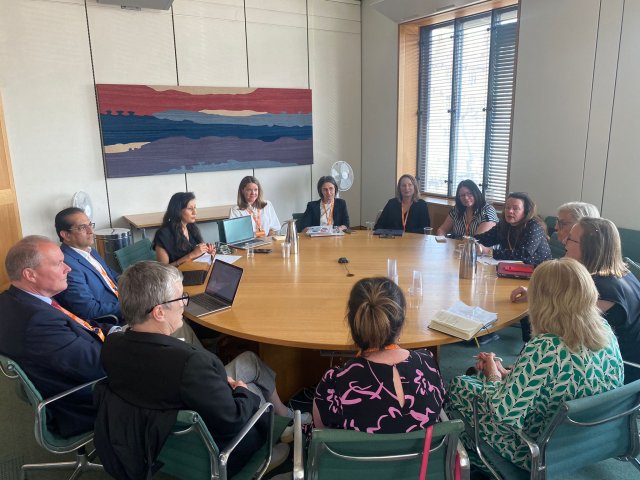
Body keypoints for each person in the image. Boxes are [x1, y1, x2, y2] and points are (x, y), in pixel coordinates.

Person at [96, 261, 305, 477]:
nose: (184, 305)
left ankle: (281, 422)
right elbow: (233, 419)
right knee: (252, 390)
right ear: (159, 312)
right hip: (214, 452)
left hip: (161, 443)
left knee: (249, 360)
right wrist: (242, 391)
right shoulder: (191, 364)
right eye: (180, 298)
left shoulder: (111, 346)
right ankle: (263, 455)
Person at [448, 258, 623, 471]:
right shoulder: (605, 329)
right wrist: (510, 375)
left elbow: (503, 415)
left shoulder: (546, 346)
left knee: (460, 384)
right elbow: (563, 380)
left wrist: (493, 374)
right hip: (589, 439)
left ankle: (469, 455)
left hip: (536, 450)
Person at [0, 236, 114, 438]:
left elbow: (78, 325)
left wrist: (115, 331)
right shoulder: (37, 322)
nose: (67, 268)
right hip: (82, 403)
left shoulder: (17, 300)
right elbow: (97, 366)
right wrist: (137, 345)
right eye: (58, 263)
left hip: (68, 375)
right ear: (30, 275)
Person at [313, 277, 446, 433]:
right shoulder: (428, 365)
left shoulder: (335, 383)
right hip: (425, 449)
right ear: (401, 324)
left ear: (352, 324)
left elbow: (320, 432)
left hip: (356, 450)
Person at [563, 217, 640, 382]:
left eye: (570, 239)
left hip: (619, 372)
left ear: (590, 248)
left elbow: (565, 334)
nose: (564, 242)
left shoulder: (601, 291)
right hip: (615, 362)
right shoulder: (623, 275)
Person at [53, 207, 122, 321]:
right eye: (82, 227)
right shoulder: (67, 265)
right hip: (115, 317)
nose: (91, 231)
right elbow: (89, 310)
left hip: (123, 302)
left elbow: (113, 276)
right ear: (66, 235)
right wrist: (130, 306)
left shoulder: (90, 251)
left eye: (90, 225)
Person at [475, 192, 551, 266]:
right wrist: (471, 242)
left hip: (539, 269)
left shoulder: (534, 226)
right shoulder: (503, 224)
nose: (510, 211)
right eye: (507, 207)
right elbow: (485, 238)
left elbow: (524, 253)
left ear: (526, 211)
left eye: (515, 208)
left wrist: (489, 252)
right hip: (512, 267)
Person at [153, 192, 216, 266]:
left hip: (195, 269)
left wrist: (206, 253)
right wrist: (192, 255)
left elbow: (196, 254)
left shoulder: (191, 226)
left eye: (195, 207)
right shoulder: (163, 235)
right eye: (190, 208)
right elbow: (163, 270)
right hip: (178, 273)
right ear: (178, 211)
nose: (195, 212)